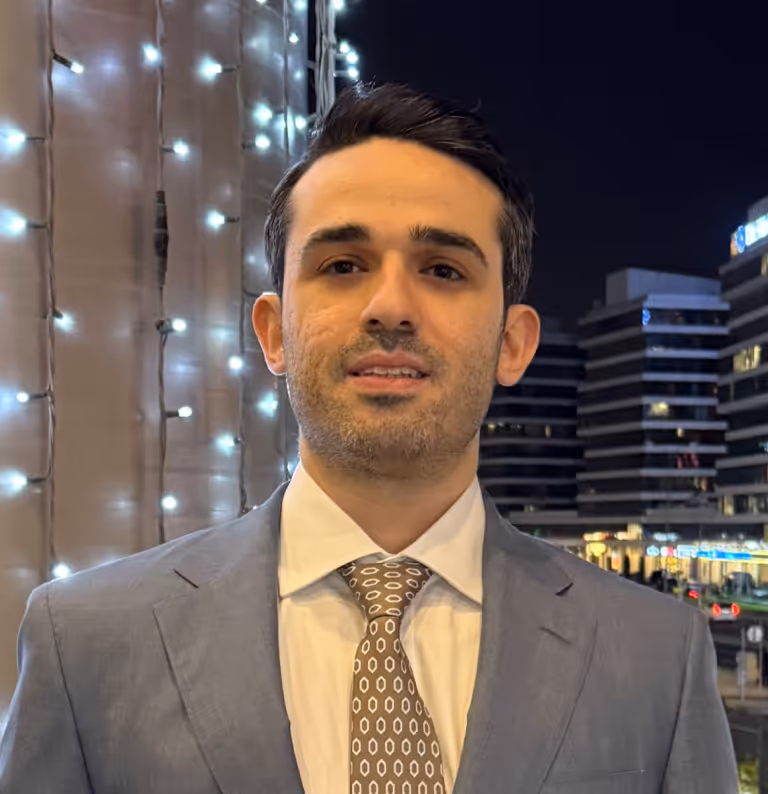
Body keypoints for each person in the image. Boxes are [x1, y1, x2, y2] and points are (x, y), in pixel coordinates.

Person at [0, 83, 738, 794]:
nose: (390, 307)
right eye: (343, 265)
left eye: (443, 269)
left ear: (513, 344)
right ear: (273, 331)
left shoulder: (655, 656)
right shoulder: (88, 645)